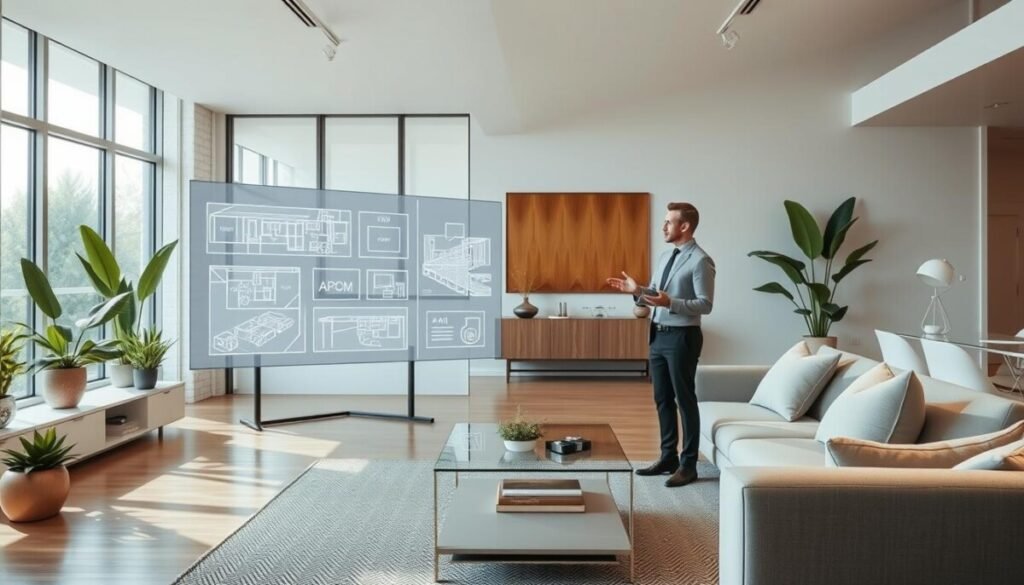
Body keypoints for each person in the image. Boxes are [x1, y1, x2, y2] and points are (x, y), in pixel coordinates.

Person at [607, 202, 715, 487]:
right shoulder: (665, 256)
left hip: (683, 338)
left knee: (684, 399)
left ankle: (688, 464)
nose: (663, 226)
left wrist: (671, 302)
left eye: (669, 222)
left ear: (685, 226)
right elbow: (655, 296)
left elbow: (706, 305)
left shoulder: (701, 260)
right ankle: (668, 457)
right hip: (658, 334)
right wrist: (637, 291)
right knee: (662, 400)